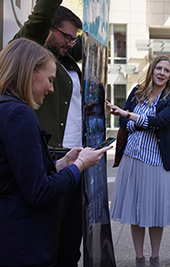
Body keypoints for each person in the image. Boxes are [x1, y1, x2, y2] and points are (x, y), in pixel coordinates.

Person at [0, 38, 111, 267]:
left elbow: (17, 175)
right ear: (29, 72)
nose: (51, 88)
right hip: (21, 245)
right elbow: (39, 192)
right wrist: (78, 166)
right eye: (50, 80)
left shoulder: (5, 107)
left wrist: (62, 164)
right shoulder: (20, 114)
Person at [12, 2, 85, 266]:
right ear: (49, 29)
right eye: (66, 36)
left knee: (69, 246)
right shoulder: (33, 51)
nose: (70, 43)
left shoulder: (69, 61)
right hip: (51, 162)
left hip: (75, 161)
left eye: (73, 39)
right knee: (49, 246)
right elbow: (41, 16)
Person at [105, 55, 170, 267]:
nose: (162, 73)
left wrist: (130, 117)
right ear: (152, 70)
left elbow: (158, 122)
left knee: (155, 213)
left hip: (156, 161)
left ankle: (154, 257)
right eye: (159, 68)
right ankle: (139, 258)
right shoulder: (137, 92)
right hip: (131, 158)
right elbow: (121, 120)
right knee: (135, 212)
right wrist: (132, 119)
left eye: (166, 70)